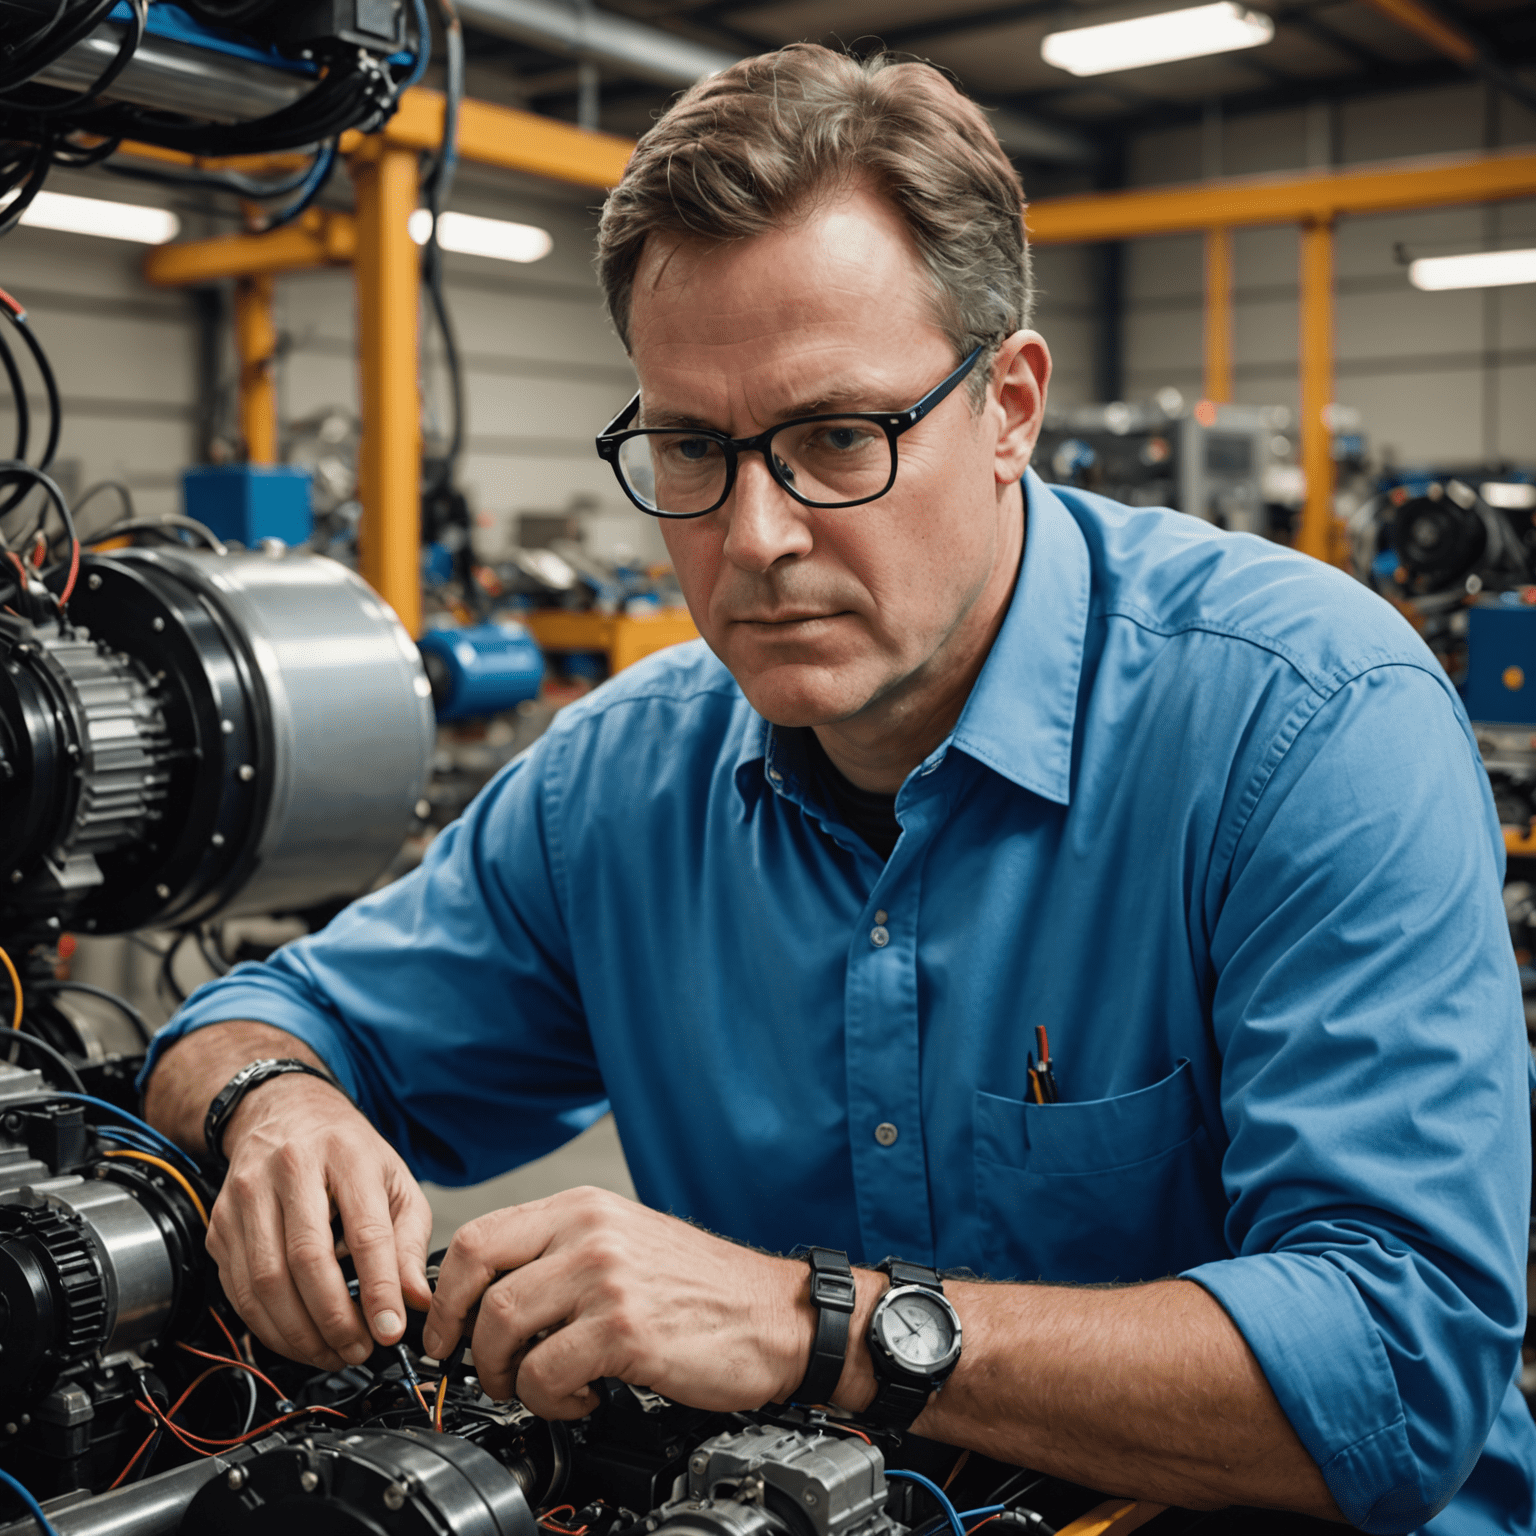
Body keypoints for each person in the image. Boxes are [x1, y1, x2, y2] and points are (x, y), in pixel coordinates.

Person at [142, 45, 1534, 1534]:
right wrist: (281, 1112)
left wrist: (815, 1327)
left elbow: (1400, 1371)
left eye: (834, 440)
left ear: (1008, 408)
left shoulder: (1303, 723)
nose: (754, 538)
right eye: (692, 446)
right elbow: (263, 1024)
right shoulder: (621, 784)